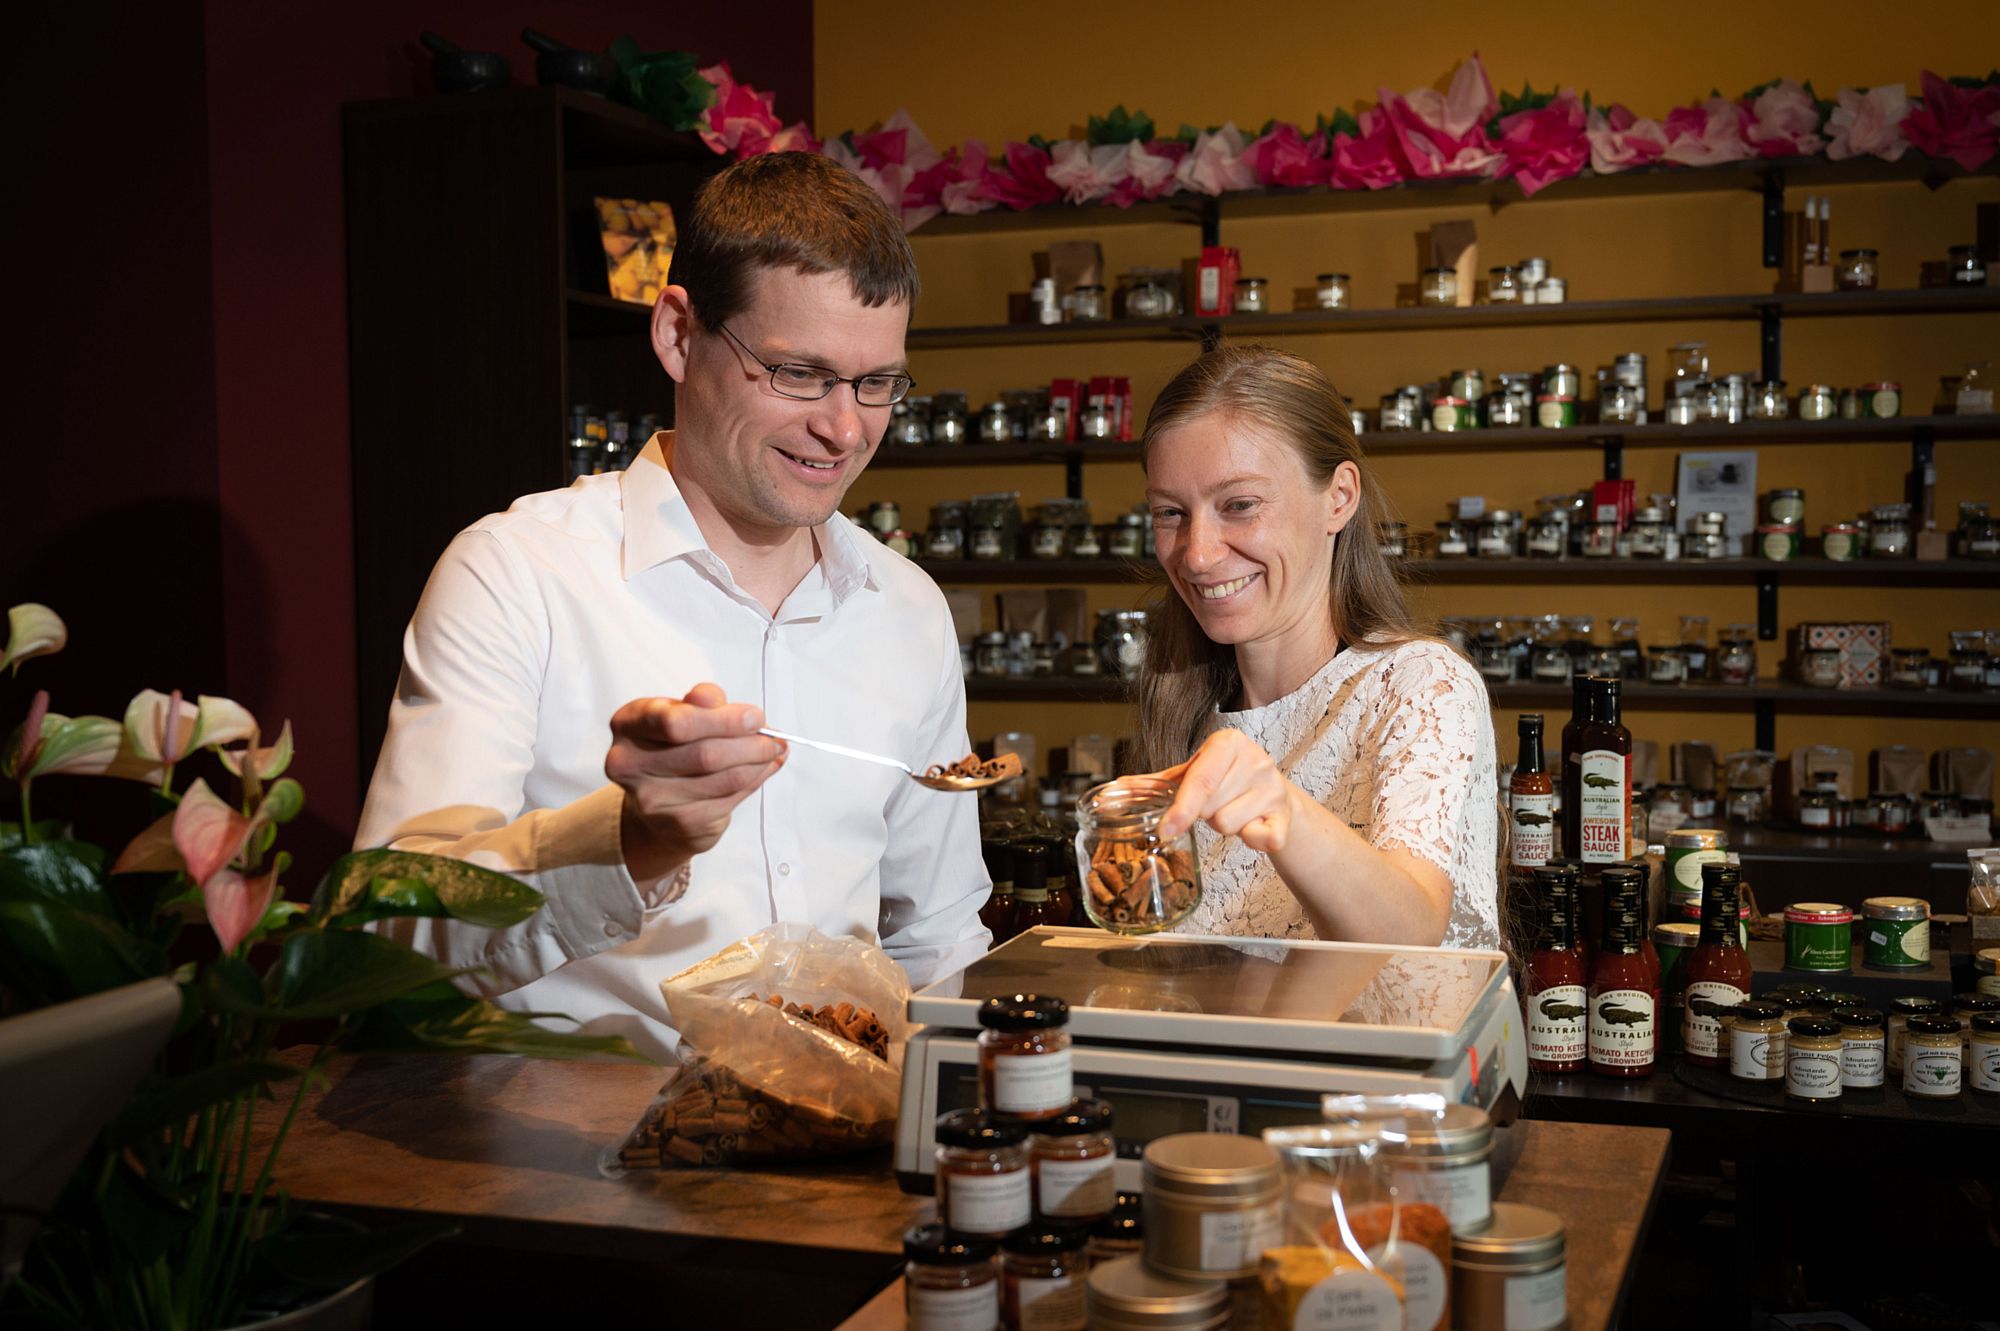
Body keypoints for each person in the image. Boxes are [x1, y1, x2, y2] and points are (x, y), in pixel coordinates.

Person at [355, 153, 991, 1059]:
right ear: (679, 335)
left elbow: (936, 939)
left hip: (840, 1157)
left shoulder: (909, 608)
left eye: (876, 382)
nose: (845, 428)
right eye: (799, 373)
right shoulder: (517, 573)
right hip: (574, 1168)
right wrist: (626, 841)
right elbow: (387, 931)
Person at [1129, 345, 1500, 950]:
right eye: (1170, 513)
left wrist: (1284, 811)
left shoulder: (1421, 686)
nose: (1196, 554)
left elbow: (1410, 934)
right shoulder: (1182, 706)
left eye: (1240, 505)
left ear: (1339, 498)